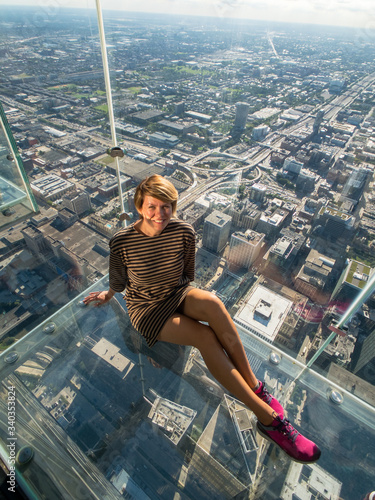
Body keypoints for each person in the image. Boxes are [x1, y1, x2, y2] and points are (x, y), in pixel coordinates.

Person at [84, 174, 320, 464]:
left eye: (167, 206)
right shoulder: (122, 241)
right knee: (203, 336)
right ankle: (269, 419)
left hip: (174, 293)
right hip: (145, 308)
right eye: (152, 207)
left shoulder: (183, 231)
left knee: (214, 304)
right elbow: (118, 282)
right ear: (139, 207)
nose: (160, 214)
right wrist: (107, 296)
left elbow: (187, 277)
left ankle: (256, 387)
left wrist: (179, 298)